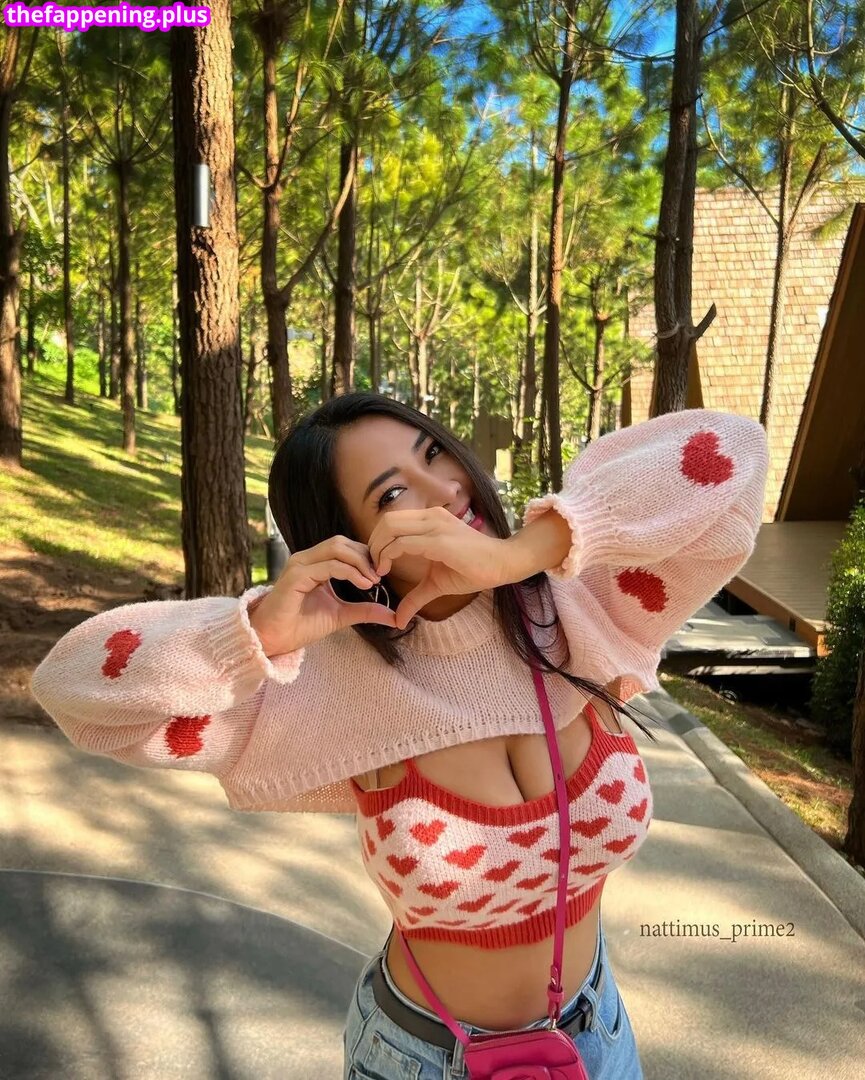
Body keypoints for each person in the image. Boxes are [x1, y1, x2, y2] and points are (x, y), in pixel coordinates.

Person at [30, 392, 769, 1080]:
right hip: (421, 1057)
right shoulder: (322, 680)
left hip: (595, 1035)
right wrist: (253, 633)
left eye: (434, 453)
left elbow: (731, 451)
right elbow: (75, 690)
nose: (444, 491)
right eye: (391, 494)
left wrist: (521, 553)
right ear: (349, 545)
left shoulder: (584, 606)